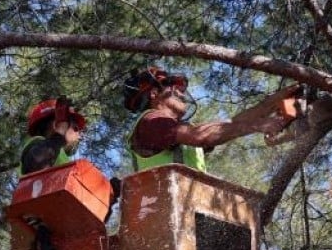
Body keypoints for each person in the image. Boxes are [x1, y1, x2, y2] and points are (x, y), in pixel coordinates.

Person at [122, 66, 298, 172]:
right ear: (154, 94)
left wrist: (273, 102)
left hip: (188, 206)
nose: (181, 93)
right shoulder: (151, 122)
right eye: (173, 88)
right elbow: (201, 136)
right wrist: (257, 125)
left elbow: (231, 124)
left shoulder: (179, 133)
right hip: (165, 211)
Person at [20, 97, 87, 175]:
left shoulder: (58, 154)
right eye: (75, 128)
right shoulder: (37, 145)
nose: (79, 136)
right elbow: (37, 163)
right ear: (57, 125)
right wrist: (60, 135)